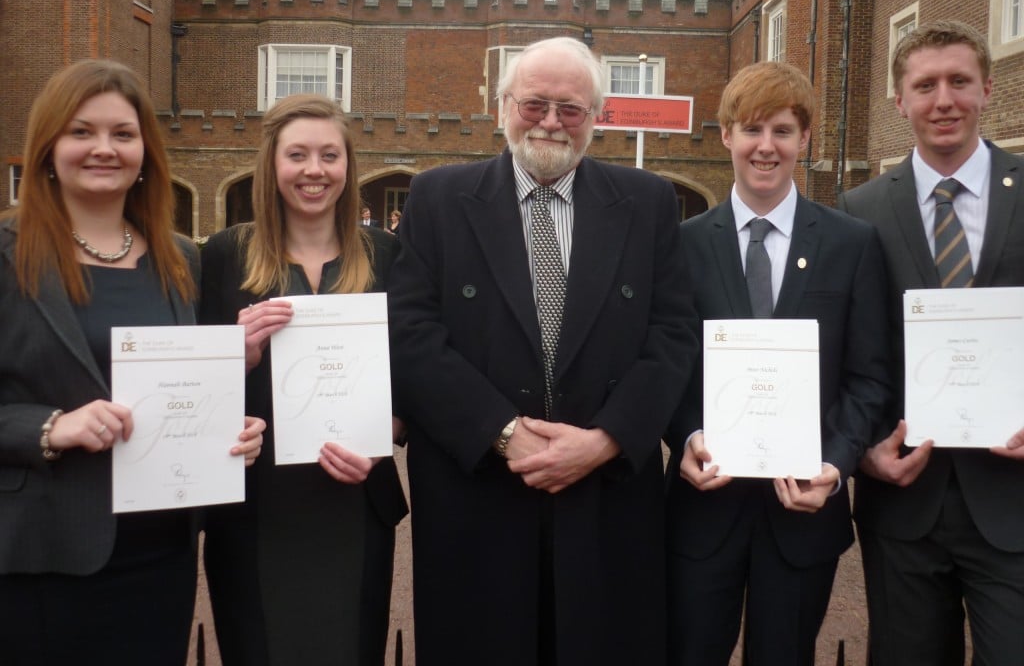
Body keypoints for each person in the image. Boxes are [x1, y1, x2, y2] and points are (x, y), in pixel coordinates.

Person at [388, 36, 699, 666]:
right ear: (502, 105)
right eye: (534, 104)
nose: (551, 122)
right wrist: (505, 435)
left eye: (570, 109)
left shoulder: (647, 203)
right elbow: (410, 332)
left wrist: (607, 439)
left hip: (605, 497)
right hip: (478, 494)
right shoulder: (437, 199)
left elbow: (673, 332)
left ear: (596, 118)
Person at [0, 59, 264, 666]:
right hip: (40, 555)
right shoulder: (8, 254)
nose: (104, 149)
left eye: (123, 134)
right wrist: (48, 426)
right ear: (47, 147)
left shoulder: (177, 257)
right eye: (81, 132)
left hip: (160, 554)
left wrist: (228, 425)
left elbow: (180, 384)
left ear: (144, 150)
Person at [664, 61, 891, 665]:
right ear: (726, 136)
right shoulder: (682, 246)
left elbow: (869, 376)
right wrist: (685, 434)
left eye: (783, 131)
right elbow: (664, 364)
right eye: (753, 129)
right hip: (703, 510)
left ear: (805, 139)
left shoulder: (851, 243)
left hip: (803, 515)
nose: (766, 147)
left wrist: (837, 465)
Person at [838, 20, 1024, 664]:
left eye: (958, 82)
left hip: (1013, 498)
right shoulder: (858, 212)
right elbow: (851, 350)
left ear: (987, 89)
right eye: (925, 86)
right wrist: (861, 451)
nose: (943, 100)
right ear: (899, 101)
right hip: (903, 502)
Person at [199, 94, 408, 666]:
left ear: (348, 165)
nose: (314, 171)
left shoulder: (388, 255)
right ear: (272, 164)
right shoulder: (224, 255)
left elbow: (417, 369)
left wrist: (386, 427)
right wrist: (232, 354)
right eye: (297, 155)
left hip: (354, 495)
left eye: (329, 155)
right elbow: (188, 387)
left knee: (351, 645)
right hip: (257, 504)